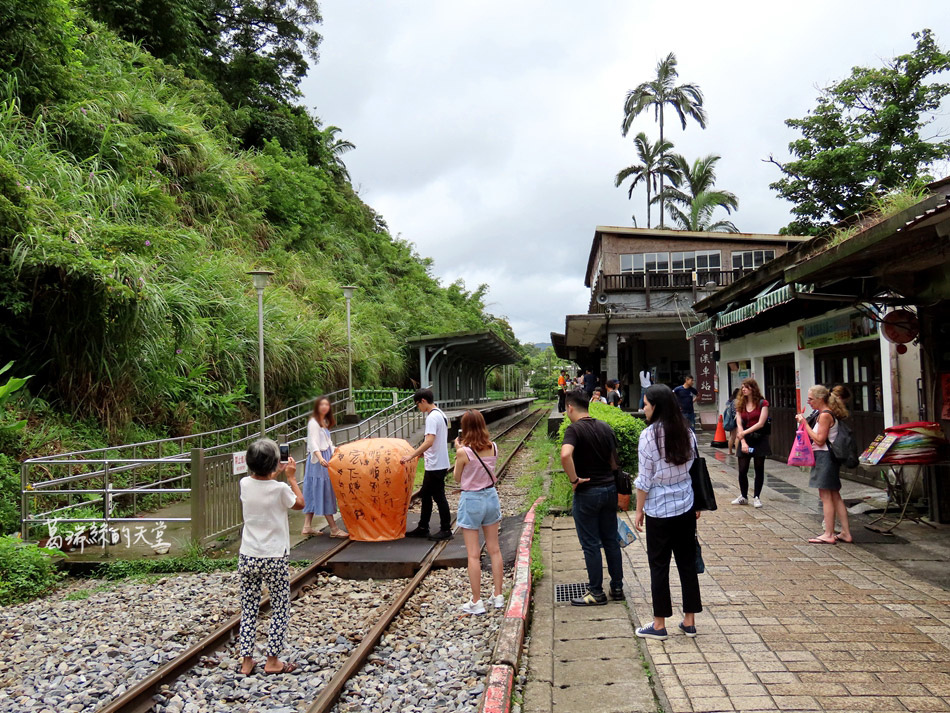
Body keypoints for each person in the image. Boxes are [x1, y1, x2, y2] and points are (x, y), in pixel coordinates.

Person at [632, 384, 702, 640]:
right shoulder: (687, 431)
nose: (643, 409)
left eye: (647, 405)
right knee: (686, 562)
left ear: (657, 406)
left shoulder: (648, 436)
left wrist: (639, 510)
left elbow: (644, 479)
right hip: (685, 505)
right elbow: (693, 467)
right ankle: (689, 621)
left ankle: (659, 624)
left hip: (659, 511)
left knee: (659, 565)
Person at [237, 439, 305, 675]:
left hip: (248, 555)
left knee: (248, 609)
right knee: (280, 607)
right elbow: (300, 504)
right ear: (276, 464)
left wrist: (274, 472)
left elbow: (260, 484)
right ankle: (272, 660)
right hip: (274, 557)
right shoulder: (280, 489)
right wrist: (292, 478)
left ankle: (246, 661)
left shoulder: (244, 483)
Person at [560, 389, 624, 606]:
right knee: (611, 540)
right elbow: (614, 460)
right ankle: (617, 587)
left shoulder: (574, 429)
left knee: (590, 544)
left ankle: (596, 592)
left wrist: (574, 480)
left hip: (587, 492)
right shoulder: (605, 426)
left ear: (570, 407)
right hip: (609, 489)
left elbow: (565, 454)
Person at [453, 409, 505, 614]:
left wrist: (459, 449)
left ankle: (477, 601)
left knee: (473, 555)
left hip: (472, 500)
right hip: (491, 498)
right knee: (494, 549)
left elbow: (457, 478)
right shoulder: (494, 447)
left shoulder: (462, 452)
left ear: (464, 429)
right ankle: (498, 595)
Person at [797, 385, 853, 545]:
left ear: (820, 399)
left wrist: (804, 424)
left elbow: (819, 439)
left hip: (825, 457)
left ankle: (829, 533)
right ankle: (845, 532)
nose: (809, 402)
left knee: (826, 496)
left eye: (810, 399)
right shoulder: (827, 413)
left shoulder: (825, 415)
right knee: (835, 495)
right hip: (827, 457)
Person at [401, 389, 452, 541]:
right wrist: (424, 453)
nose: (419, 408)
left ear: (423, 401)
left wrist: (412, 455)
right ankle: (423, 526)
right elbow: (436, 441)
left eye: (418, 405)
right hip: (438, 462)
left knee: (438, 496)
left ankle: (445, 529)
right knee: (426, 495)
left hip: (435, 465)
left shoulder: (432, 417)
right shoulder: (441, 414)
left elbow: (429, 441)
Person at [301, 397, 348, 538]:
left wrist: (339, 451)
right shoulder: (314, 422)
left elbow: (328, 443)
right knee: (325, 490)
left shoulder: (325, 421)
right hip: (319, 460)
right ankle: (333, 528)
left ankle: (307, 526)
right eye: (321, 404)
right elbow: (313, 443)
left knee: (314, 490)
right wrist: (321, 458)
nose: (324, 407)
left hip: (324, 458)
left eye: (327, 404)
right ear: (317, 406)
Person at [732, 378, 770, 509]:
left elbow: (761, 423)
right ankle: (743, 495)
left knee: (759, 469)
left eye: (746, 387)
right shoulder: (739, 404)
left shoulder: (762, 403)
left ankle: (757, 497)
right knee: (742, 469)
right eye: (742, 387)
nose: (743, 389)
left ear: (753, 388)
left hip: (759, 439)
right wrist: (742, 440)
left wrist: (744, 433)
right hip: (745, 439)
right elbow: (739, 424)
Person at [724, 388, 740, 456]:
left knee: (731, 436)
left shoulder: (729, 401)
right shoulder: (737, 401)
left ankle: (730, 451)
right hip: (735, 419)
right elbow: (736, 411)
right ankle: (737, 452)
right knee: (737, 436)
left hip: (730, 420)